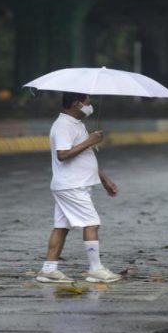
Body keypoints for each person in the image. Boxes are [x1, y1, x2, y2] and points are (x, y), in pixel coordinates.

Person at [35, 92, 123, 284]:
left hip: (74, 184)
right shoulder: (63, 125)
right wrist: (90, 141)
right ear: (77, 104)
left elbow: (86, 157)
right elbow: (63, 154)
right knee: (92, 223)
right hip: (71, 185)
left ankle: (49, 269)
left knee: (61, 227)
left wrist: (105, 180)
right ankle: (95, 269)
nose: (90, 107)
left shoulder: (77, 124)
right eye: (87, 103)